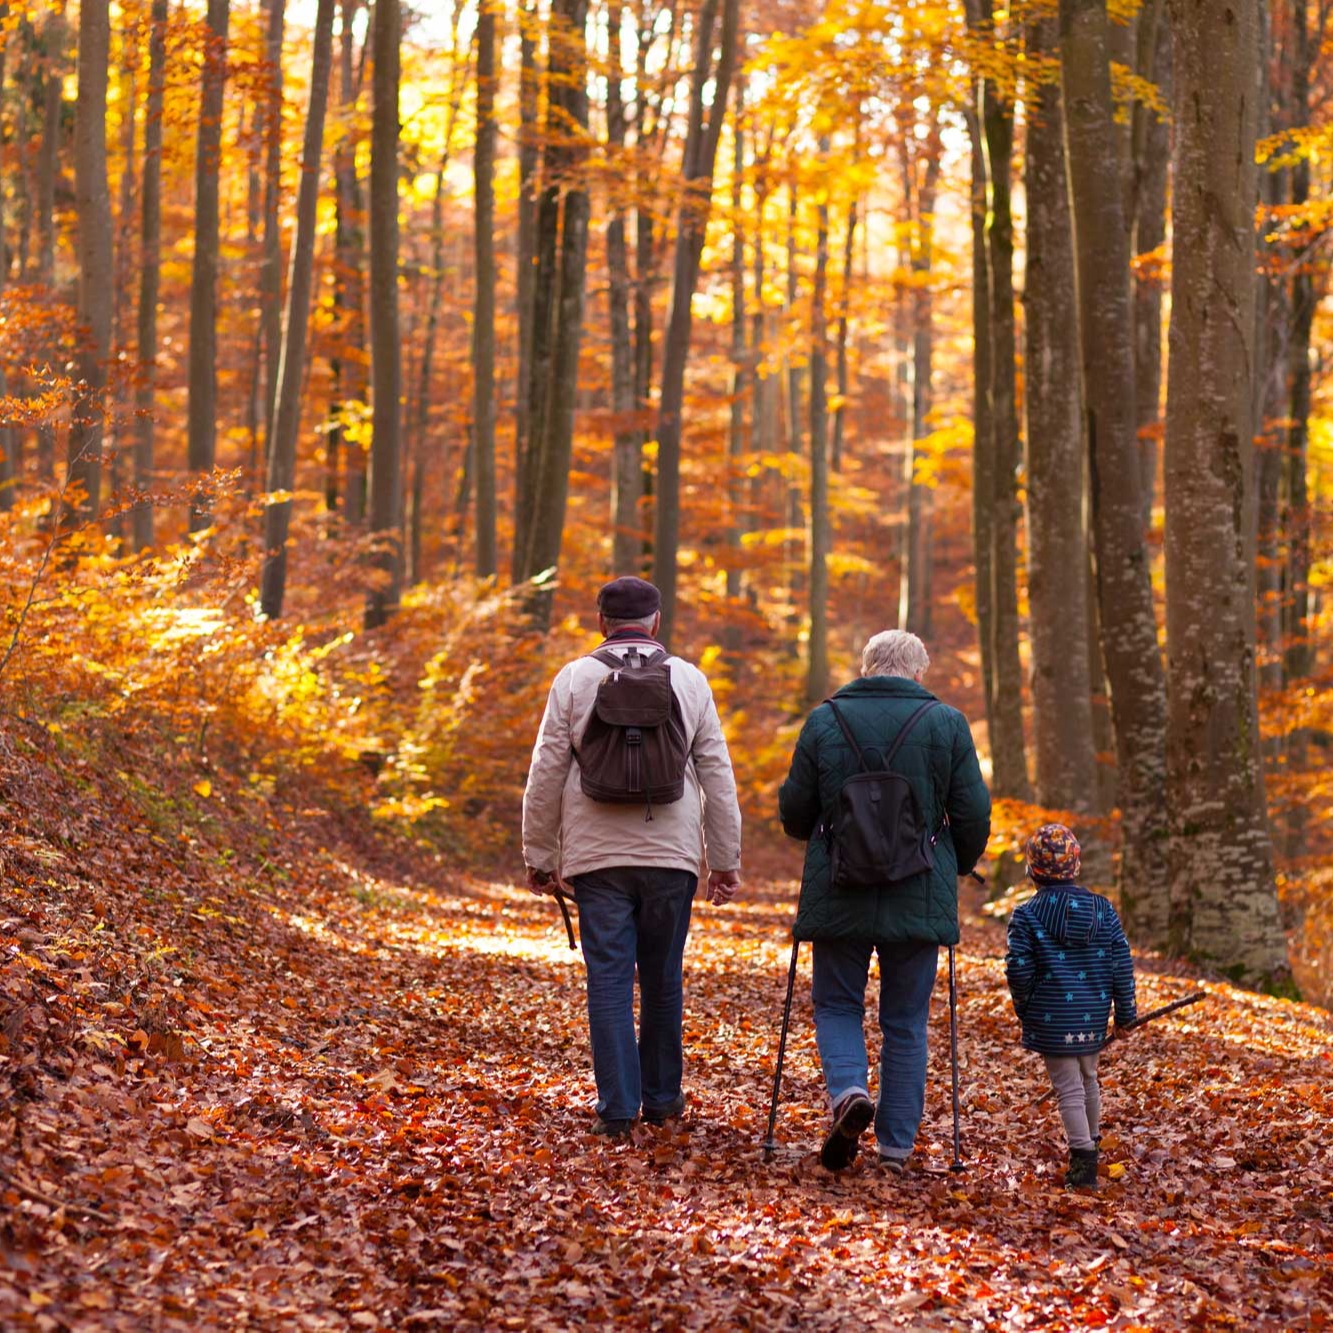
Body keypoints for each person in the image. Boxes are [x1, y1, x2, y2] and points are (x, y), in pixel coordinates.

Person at [522, 576, 743, 1137]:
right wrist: (724, 857)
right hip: (670, 855)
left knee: (610, 981)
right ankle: (664, 1099)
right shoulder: (689, 681)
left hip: (597, 859)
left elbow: (547, 769)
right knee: (664, 978)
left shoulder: (574, 679)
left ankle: (618, 1110)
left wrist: (539, 853)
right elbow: (716, 773)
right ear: (656, 622)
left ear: (601, 622)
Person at [778, 629, 991, 1172]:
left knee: (836, 1004)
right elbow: (972, 813)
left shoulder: (825, 720)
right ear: (918, 673)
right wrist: (958, 864)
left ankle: (849, 1092)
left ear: (866, 666)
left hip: (839, 887)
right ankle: (895, 1148)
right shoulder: (946, 724)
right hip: (918, 890)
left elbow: (795, 812)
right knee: (906, 1020)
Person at [1004, 823, 1137, 1188]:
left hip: (1052, 1015)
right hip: (1092, 1015)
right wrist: (1125, 1014)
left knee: (1068, 1088)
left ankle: (1083, 1163)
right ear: (1075, 868)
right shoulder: (1103, 910)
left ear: (1033, 871)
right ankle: (1091, 1145)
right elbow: (1120, 963)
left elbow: (1019, 969)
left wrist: (1026, 1008)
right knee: (1088, 1078)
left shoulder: (1027, 915)